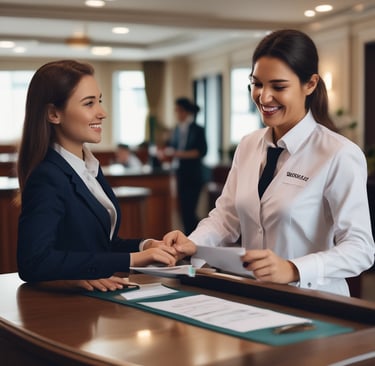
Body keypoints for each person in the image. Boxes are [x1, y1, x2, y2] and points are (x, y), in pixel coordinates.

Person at [164, 29, 375, 296]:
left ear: (310, 84)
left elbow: (360, 249)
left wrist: (294, 268)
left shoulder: (339, 154)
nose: (263, 97)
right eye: (257, 84)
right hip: (255, 297)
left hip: (317, 301)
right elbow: (226, 218)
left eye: (278, 86)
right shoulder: (248, 145)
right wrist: (191, 243)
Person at [16, 60, 195, 292]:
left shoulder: (88, 167)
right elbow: (34, 263)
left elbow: (99, 245)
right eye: (89, 103)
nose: (102, 113)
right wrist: (133, 260)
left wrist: (146, 246)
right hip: (65, 313)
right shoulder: (47, 176)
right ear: (53, 113)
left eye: (99, 101)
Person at [165, 97, 207, 235]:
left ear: (185, 111)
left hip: (194, 176)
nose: (176, 114)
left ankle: (199, 236)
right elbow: (172, 147)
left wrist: (177, 154)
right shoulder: (176, 129)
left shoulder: (197, 129)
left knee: (190, 211)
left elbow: (201, 152)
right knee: (183, 211)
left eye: (178, 111)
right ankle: (190, 237)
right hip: (180, 174)